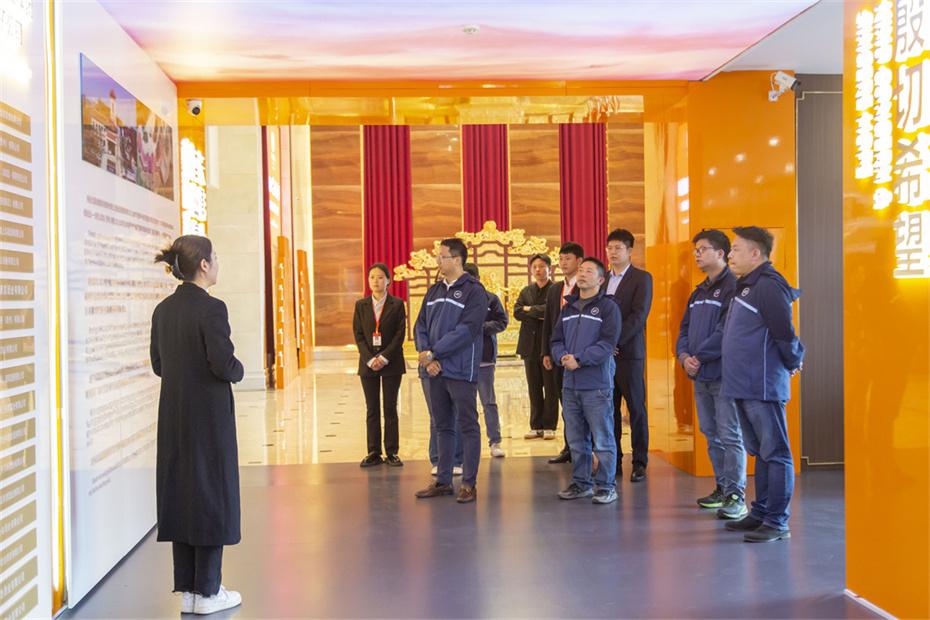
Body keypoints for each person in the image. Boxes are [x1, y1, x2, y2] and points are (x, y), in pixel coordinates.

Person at [150, 235, 243, 615]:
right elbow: (223, 363)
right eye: (215, 257)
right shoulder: (211, 308)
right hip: (208, 417)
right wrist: (240, 370)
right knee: (210, 493)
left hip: (174, 414)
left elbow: (158, 364)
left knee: (182, 492)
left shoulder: (163, 310)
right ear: (203, 265)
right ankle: (208, 591)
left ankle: (188, 589)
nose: (217, 262)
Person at [721, 226, 804, 543]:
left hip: (763, 384)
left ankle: (777, 521)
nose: (730, 255)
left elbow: (784, 333)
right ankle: (761, 512)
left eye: (736, 249)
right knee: (762, 452)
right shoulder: (746, 286)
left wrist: (793, 360)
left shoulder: (769, 285)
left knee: (776, 452)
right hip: (743, 384)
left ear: (755, 254)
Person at [675, 230, 747, 519]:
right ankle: (722, 487)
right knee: (711, 433)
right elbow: (683, 329)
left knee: (730, 435)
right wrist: (684, 357)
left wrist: (698, 357)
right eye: (696, 249)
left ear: (721, 254)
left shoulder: (733, 287)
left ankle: (736, 495)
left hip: (723, 375)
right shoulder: (698, 292)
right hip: (700, 375)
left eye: (703, 249)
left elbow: (725, 330)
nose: (697, 254)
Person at [413, 238, 487, 503]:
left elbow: (467, 330)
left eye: (441, 256)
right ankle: (443, 480)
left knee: (467, 425)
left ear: (457, 260)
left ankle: (469, 483)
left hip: (460, 370)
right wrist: (427, 356)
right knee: (442, 425)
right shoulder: (434, 291)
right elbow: (420, 325)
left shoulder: (474, 291)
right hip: (434, 370)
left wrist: (435, 353)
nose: (437, 260)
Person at [550, 258, 622, 504]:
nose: (582, 274)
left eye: (589, 271)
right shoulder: (568, 308)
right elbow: (556, 340)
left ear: (601, 280)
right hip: (570, 384)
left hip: (596, 384)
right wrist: (562, 356)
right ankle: (581, 483)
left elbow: (607, 344)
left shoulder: (608, 308)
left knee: (602, 438)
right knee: (576, 439)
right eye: (581, 270)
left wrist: (579, 359)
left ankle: (606, 486)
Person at [603, 228, 653, 482]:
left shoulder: (641, 278)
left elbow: (639, 316)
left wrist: (614, 341)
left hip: (630, 354)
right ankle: (614, 460)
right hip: (605, 356)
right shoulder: (602, 279)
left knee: (636, 408)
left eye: (618, 248)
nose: (613, 252)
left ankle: (640, 462)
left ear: (630, 251)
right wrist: (604, 346)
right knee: (609, 410)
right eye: (610, 248)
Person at [352, 263, 407, 468]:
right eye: (372, 277)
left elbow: (400, 334)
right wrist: (369, 359)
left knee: (390, 407)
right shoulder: (361, 305)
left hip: (391, 362)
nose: (376, 281)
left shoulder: (397, 304)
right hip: (368, 364)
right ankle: (373, 451)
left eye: (380, 277)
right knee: (372, 408)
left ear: (388, 281)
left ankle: (392, 452)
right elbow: (358, 334)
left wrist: (383, 358)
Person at [542, 242, 584, 464]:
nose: (563, 263)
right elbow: (548, 323)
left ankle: (583, 449)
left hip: (580, 354)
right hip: (559, 352)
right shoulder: (555, 289)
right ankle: (569, 447)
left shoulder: (586, 286)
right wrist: (546, 352)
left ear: (579, 261)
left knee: (582, 404)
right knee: (565, 402)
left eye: (568, 258)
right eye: (560, 258)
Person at [463, 263, 508, 458]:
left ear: (478, 279)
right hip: (462, 359)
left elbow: (502, 322)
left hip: (484, 358)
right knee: (464, 403)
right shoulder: (456, 299)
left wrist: (481, 328)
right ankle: (465, 444)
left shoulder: (491, 298)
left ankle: (495, 441)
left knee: (488, 401)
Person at [514, 254, 558, 439]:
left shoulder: (556, 289)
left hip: (548, 345)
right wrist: (538, 311)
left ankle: (549, 426)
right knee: (533, 387)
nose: (538, 270)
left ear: (549, 268)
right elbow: (517, 312)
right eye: (535, 267)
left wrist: (530, 309)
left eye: (542, 266)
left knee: (551, 387)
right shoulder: (526, 291)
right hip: (529, 346)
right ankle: (535, 425)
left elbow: (552, 312)